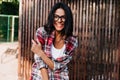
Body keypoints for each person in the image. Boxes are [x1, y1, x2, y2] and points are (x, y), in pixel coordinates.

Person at [30, 2, 78, 80]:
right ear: (52, 17)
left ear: (68, 20)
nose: (59, 20)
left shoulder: (72, 42)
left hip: (60, 76)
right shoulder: (42, 32)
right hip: (40, 75)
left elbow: (57, 66)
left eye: (63, 17)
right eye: (56, 17)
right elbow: (39, 61)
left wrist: (40, 53)